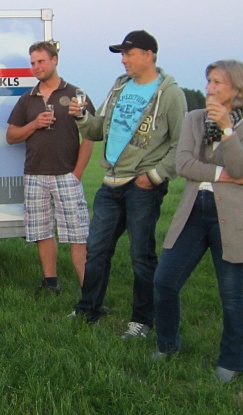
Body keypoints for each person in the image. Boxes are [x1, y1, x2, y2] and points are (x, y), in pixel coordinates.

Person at [151, 60, 243, 383]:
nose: (209, 88)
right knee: (165, 281)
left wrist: (227, 129)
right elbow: (184, 164)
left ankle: (231, 362)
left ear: (237, 88)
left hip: (234, 217)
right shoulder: (194, 119)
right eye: (208, 81)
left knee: (232, 293)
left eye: (217, 82)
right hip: (194, 210)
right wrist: (226, 175)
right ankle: (167, 345)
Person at [70, 30, 186, 338]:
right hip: (110, 183)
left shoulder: (170, 94)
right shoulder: (120, 86)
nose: (123, 60)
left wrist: (154, 177)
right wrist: (82, 117)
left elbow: (181, 144)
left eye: (128, 54)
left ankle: (142, 320)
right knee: (97, 250)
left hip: (143, 185)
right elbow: (97, 131)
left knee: (140, 255)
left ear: (149, 55)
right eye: (122, 54)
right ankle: (88, 309)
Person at [6, 40, 94, 295]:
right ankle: (50, 283)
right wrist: (34, 124)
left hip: (66, 175)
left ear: (54, 60)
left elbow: (91, 135)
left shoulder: (76, 94)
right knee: (42, 232)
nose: (36, 67)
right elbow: (11, 136)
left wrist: (77, 173)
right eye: (33, 63)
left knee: (77, 235)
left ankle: (89, 291)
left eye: (41, 61)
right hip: (35, 175)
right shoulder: (28, 99)